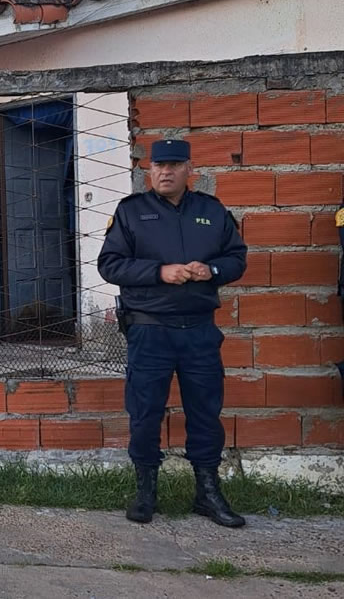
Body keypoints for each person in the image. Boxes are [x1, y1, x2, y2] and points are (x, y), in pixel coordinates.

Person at [97, 139, 248, 528]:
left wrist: (210, 271)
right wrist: (158, 272)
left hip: (199, 331)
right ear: (149, 171)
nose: (165, 172)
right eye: (158, 165)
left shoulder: (211, 211)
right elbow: (109, 265)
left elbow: (236, 259)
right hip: (150, 331)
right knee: (145, 414)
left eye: (174, 165)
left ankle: (207, 492)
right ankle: (146, 491)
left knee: (205, 414)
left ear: (188, 169)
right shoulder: (131, 213)